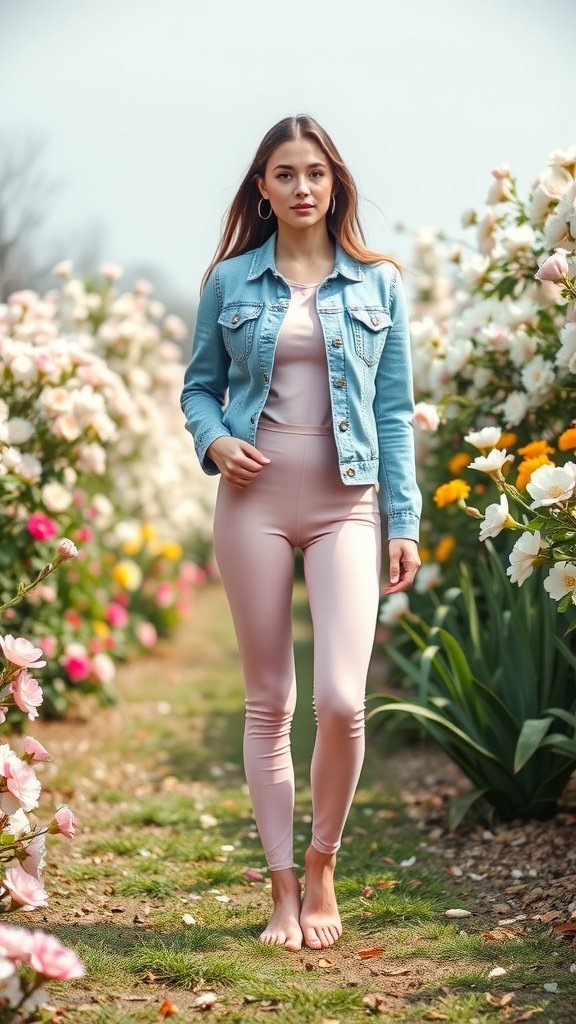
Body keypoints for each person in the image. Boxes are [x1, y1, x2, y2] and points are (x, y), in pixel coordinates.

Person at [180, 114, 421, 953]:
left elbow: (393, 416)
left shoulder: (379, 285)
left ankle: (323, 864)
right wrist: (212, 438)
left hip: (347, 505)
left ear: (335, 182)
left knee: (342, 702)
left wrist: (404, 522)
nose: (302, 187)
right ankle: (282, 888)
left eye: (315, 172)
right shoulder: (230, 282)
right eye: (285, 174)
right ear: (263, 189)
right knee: (270, 701)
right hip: (252, 503)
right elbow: (198, 389)